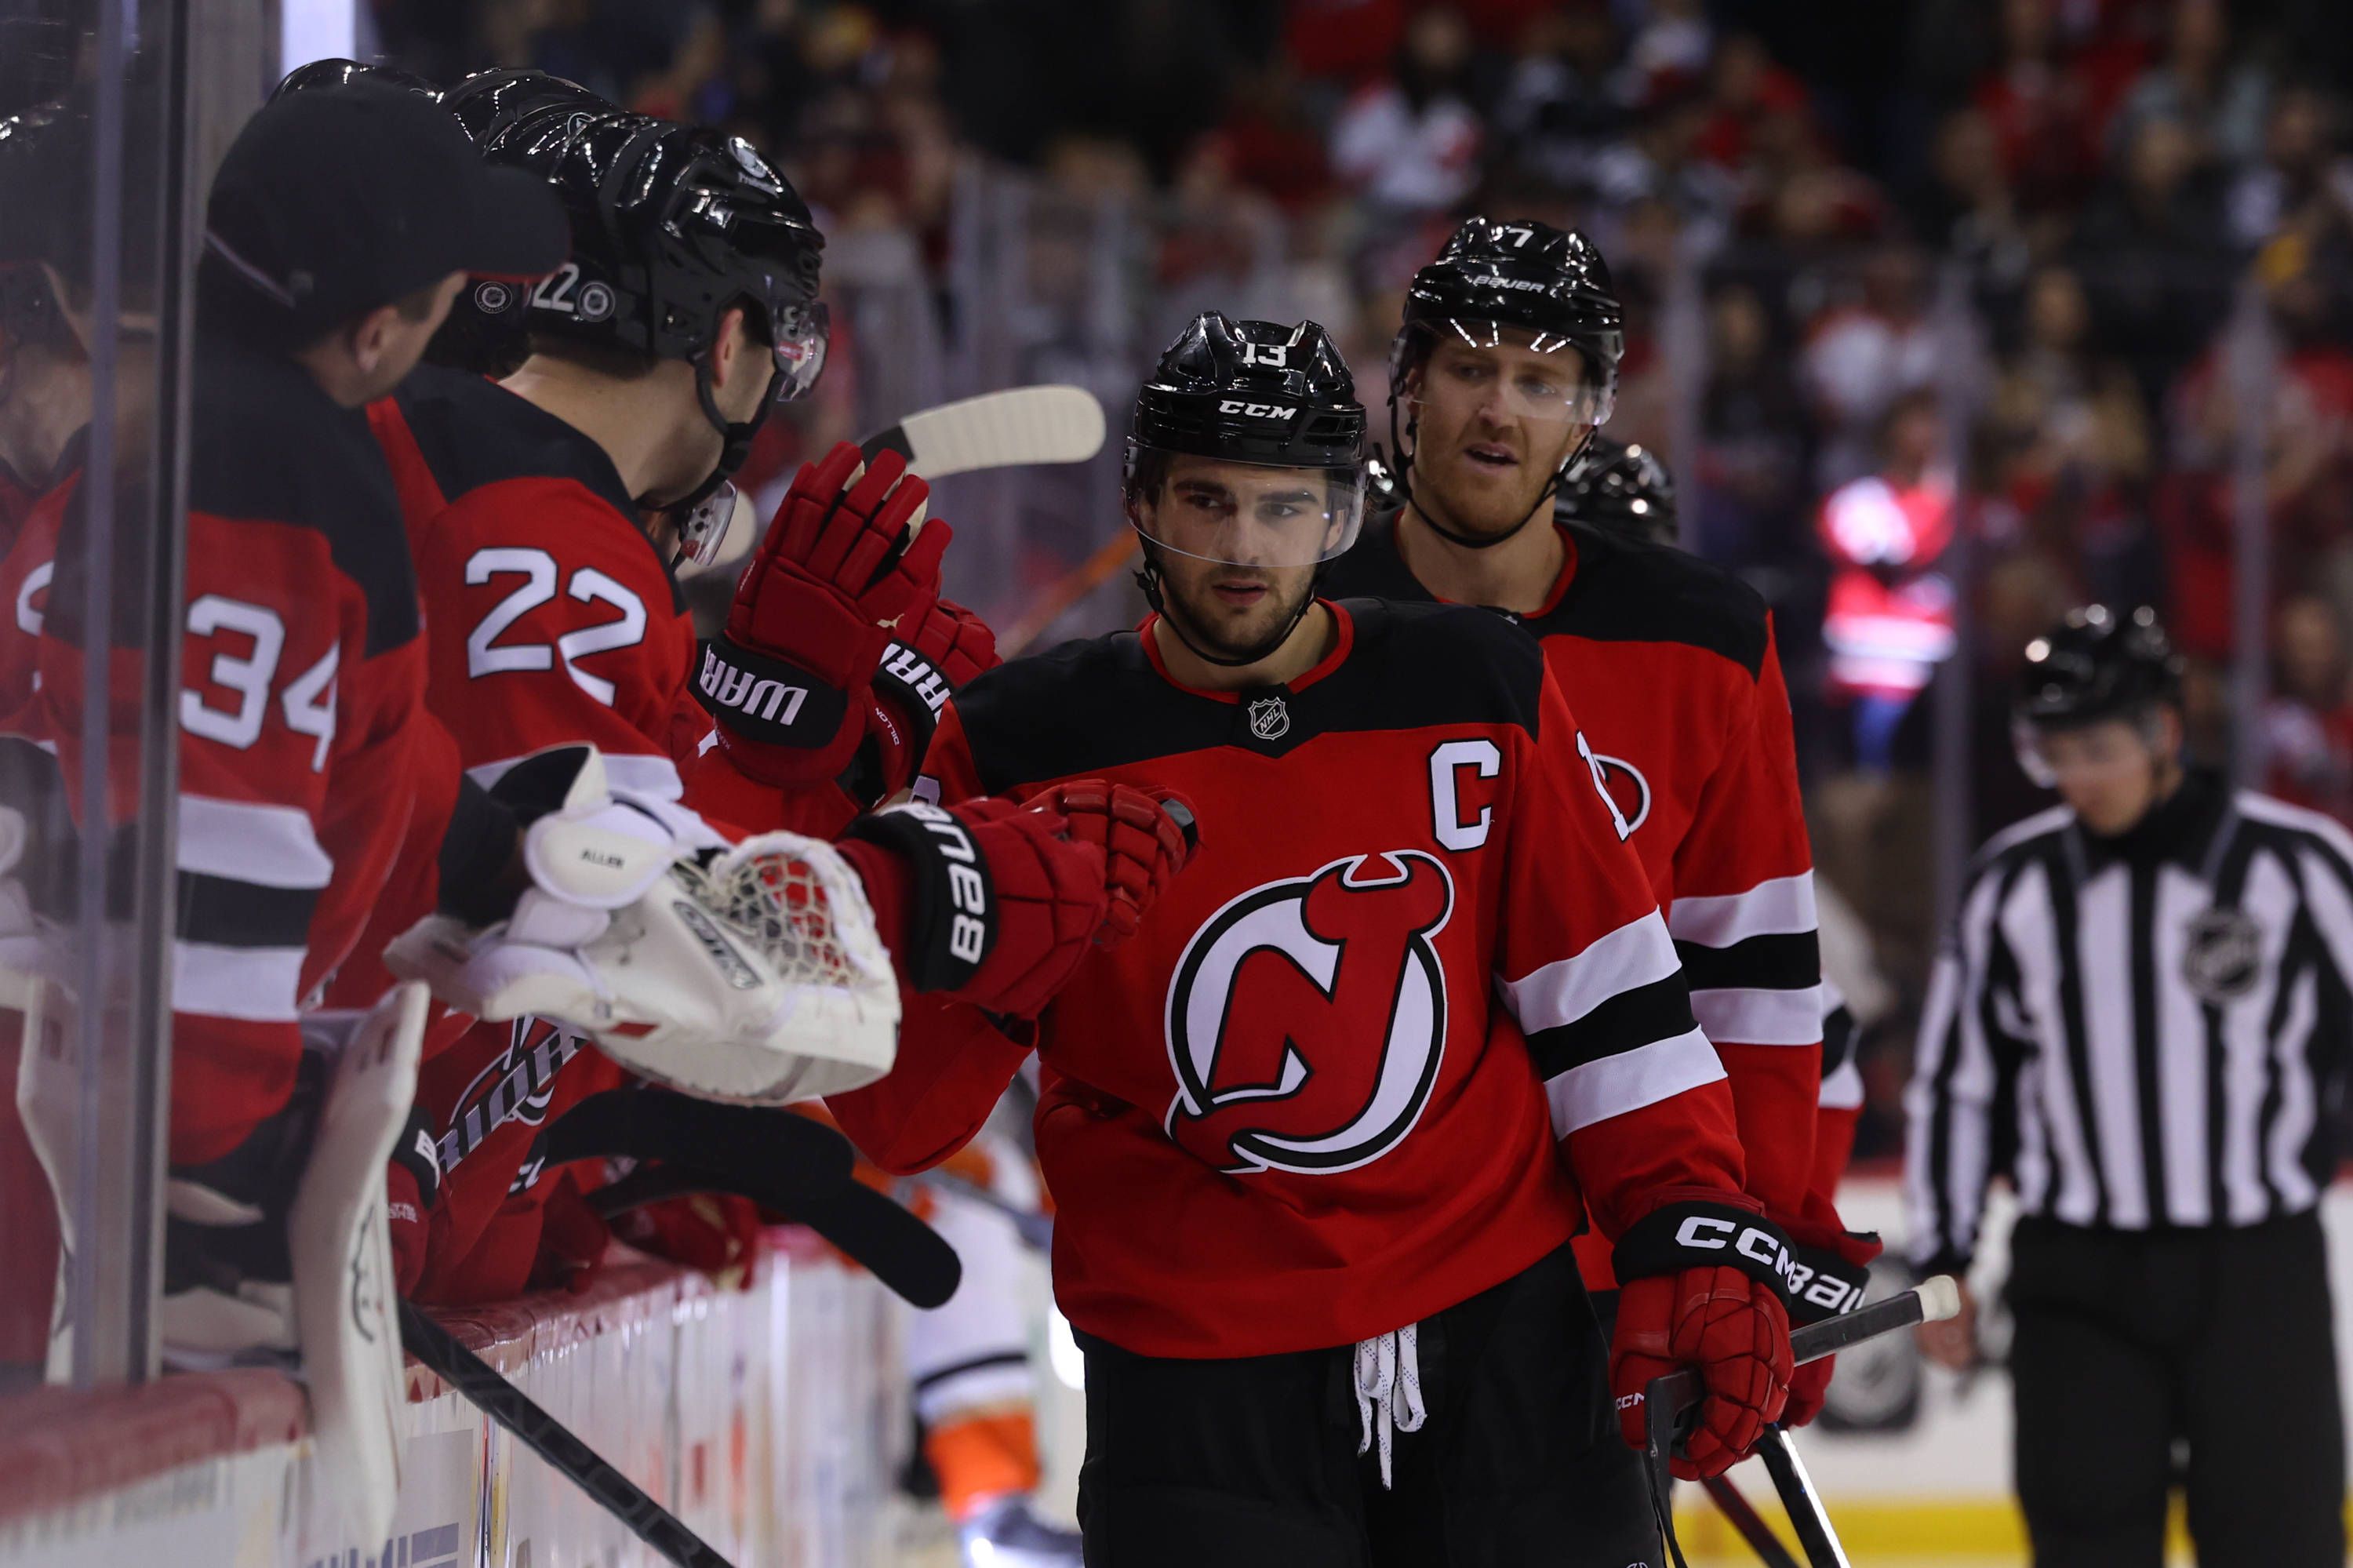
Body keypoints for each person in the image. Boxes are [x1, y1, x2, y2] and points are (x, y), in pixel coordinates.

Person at [832, 310, 1799, 1566]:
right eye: (1207, 501)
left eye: (1286, 507)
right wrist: (997, 912)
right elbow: (900, 1121)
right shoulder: (1023, 739)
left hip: (1500, 1345)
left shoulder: (1473, 681)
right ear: (1143, 504)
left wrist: (1688, 1222)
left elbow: (1608, 1002)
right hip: (1196, 1380)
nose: (1244, 548)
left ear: (1343, 513)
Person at [334, 71, 1180, 1305]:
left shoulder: (487, 490)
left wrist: (794, 727)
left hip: (359, 1182)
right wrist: (939, 883)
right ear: (726, 346)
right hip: (325, 1199)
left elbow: (618, 875)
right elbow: (594, 923)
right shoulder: (542, 525)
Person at [1321, 219, 1868, 1455]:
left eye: (1540, 379)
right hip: (1348, 1257)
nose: (1497, 408)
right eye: (1467, 368)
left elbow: (1756, 979)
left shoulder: (1705, 634)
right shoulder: (1309, 621)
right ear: (1405, 388)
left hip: (1612, 1256)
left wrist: (1758, 1236)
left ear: (1588, 416)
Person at [1907, 604, 2350, 1568]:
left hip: (2255, 1270)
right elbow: (1958, 1083)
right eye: (2054, 752)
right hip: (2078, 1277)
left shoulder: (2297, 866)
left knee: (2281, 1542)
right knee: (2085, 1546)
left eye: (2099, 748)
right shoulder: (2012, 886)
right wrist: (1943, 1253)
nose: (2078, 779)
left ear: (2165, 732)